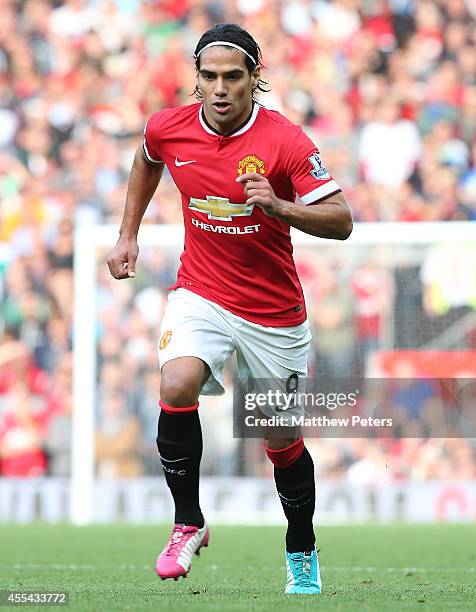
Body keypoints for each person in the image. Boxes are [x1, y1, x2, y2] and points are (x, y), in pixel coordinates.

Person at [107, 23, 352, 595]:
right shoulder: (169, 128)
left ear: (254, 79)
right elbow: (147, 159)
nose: (220, 88)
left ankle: (300, 549)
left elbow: (341, 220)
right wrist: (127, 236)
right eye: (209, 76)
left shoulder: (285, 141)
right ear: (197, 80)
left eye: (233, 77)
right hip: (203, 291)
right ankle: (187, 522)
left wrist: (279, 205)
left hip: (274, 313)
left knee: (279, 440)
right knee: (176, 384)